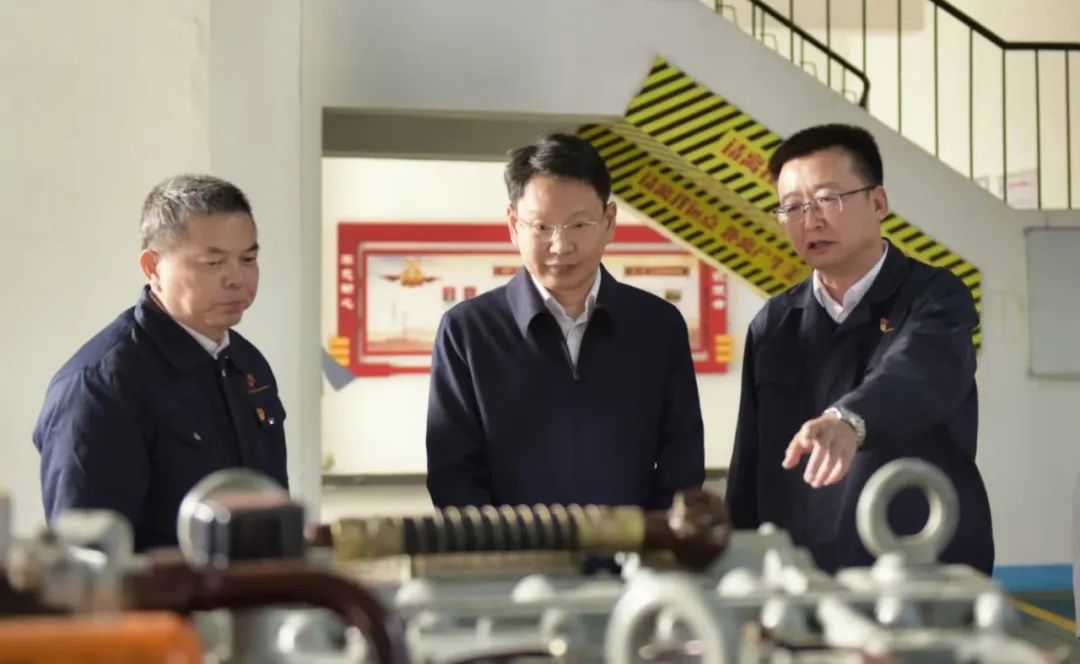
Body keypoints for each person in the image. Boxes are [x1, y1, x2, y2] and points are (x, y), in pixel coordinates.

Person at [725, 124, 994, 573]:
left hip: (918, 570)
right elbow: (748, 464)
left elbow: (916, 372)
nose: (810, 220)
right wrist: (736, 560)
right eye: (793, 207)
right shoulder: (774, 323)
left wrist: (849, 419)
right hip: (800, 576)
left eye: (828, 199)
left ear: (878, 203)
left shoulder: (936, 297)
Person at [426, 133, 704, 509]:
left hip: (637, 546)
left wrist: (651, 540)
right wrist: (506, 544)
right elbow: (454, 475)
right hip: (509, 547)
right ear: (513, 225)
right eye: (542, 227)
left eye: (579, 225)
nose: (561, 246)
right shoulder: (467, 331)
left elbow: (681, 463)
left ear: (609, 221)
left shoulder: (658, 326)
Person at [33, 174, 288, 551]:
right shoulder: (100, 386)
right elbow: (86, 558)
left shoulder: (247, 364)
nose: (238, 278)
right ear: (153, 267)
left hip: (257, 587)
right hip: (164, 592)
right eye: (214, 262)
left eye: (248, 259)